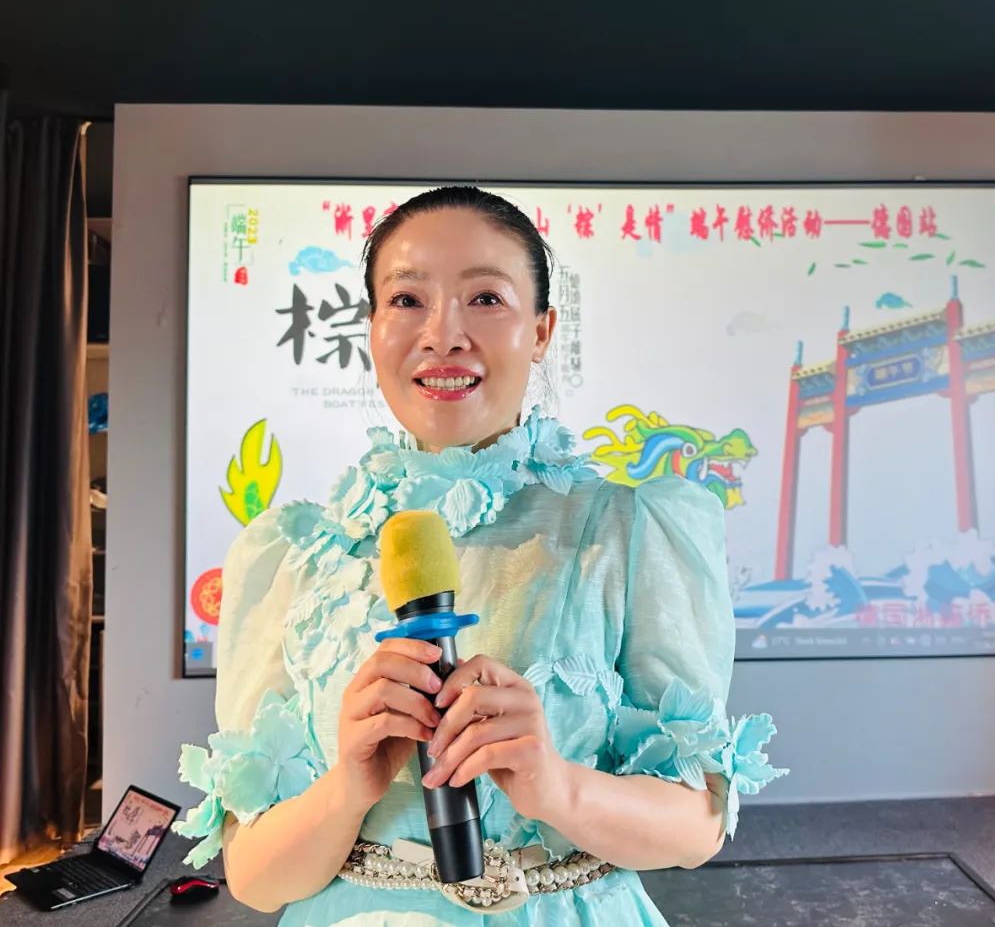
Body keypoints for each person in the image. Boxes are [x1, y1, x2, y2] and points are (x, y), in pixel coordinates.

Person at [173, 185, 788, 925]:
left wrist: (555, 787)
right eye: (407, 300)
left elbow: (696, 829)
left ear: (542, 330)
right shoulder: (292, 555)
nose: (443, 336)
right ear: (371, 328)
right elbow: (254, 878)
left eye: (486, 299)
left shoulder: (626, 529)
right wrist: (348, 789)